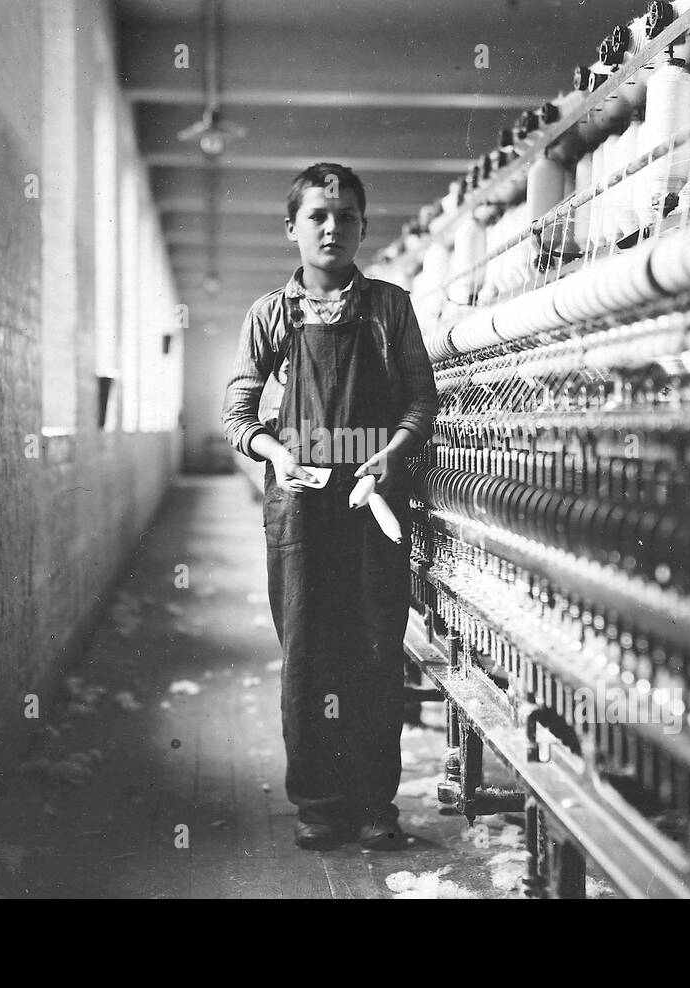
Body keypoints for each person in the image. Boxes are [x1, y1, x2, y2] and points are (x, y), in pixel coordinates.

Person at [222, 162, 438, 850]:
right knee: (309, 654)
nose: (332, 228)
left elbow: (419, 398)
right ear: (293, 228)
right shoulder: (269, 317)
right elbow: (237, 412)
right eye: (318, 215)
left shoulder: (388, 309)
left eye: (345, 216)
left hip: (372, 502)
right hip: (301, 508)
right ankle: (318, 803)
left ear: (362, 228)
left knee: (376, 650)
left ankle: (375, 804)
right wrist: (277, 455)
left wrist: (391, 454)